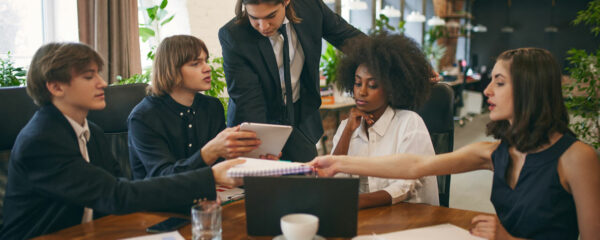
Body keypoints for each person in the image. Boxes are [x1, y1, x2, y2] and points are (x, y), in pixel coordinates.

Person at [310, 48, 600, 239]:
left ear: (530, 89)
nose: (486, 90)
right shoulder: (495, 152)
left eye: (499, 82)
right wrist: (337, 162)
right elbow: (416, 165)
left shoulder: (577, 158)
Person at [0, 42, 244, 239]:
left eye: (98, 74)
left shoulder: (92, 132)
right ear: (55, 87)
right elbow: (116, 195)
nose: (102, 83)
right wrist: (209, 175)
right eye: (88, 76)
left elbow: (119, 185)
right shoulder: (41, 140)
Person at [218, 0, 364, 162]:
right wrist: (261, 151)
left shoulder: (311, 7)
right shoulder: (234, 35)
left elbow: (350, 39)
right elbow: (249, 101)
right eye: (254, 18)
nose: (263, 26)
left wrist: (387, 63)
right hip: (256, 123)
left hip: (300, 119)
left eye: (270, 16)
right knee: (261, 183)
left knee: (306, 180)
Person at [128, 35, 261, 179]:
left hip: (210, 193)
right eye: (195, 64)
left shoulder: (211, 106)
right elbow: (163, 177)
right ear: (171, 69)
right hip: (161, 199)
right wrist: (209, 152)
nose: (207, 68)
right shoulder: (143, 117)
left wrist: (256, 160)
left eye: (206, 61)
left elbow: (221, 163)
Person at [331, 33, 438, 209]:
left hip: (410, 218)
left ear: (391, 88)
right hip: (366, 219)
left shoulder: (409, 123)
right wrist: (347, 132)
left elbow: (406, 184)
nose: (361, 92)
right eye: (358, 83)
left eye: (372, 85)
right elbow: (334, 180)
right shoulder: (348, 126)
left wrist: (357, 202)